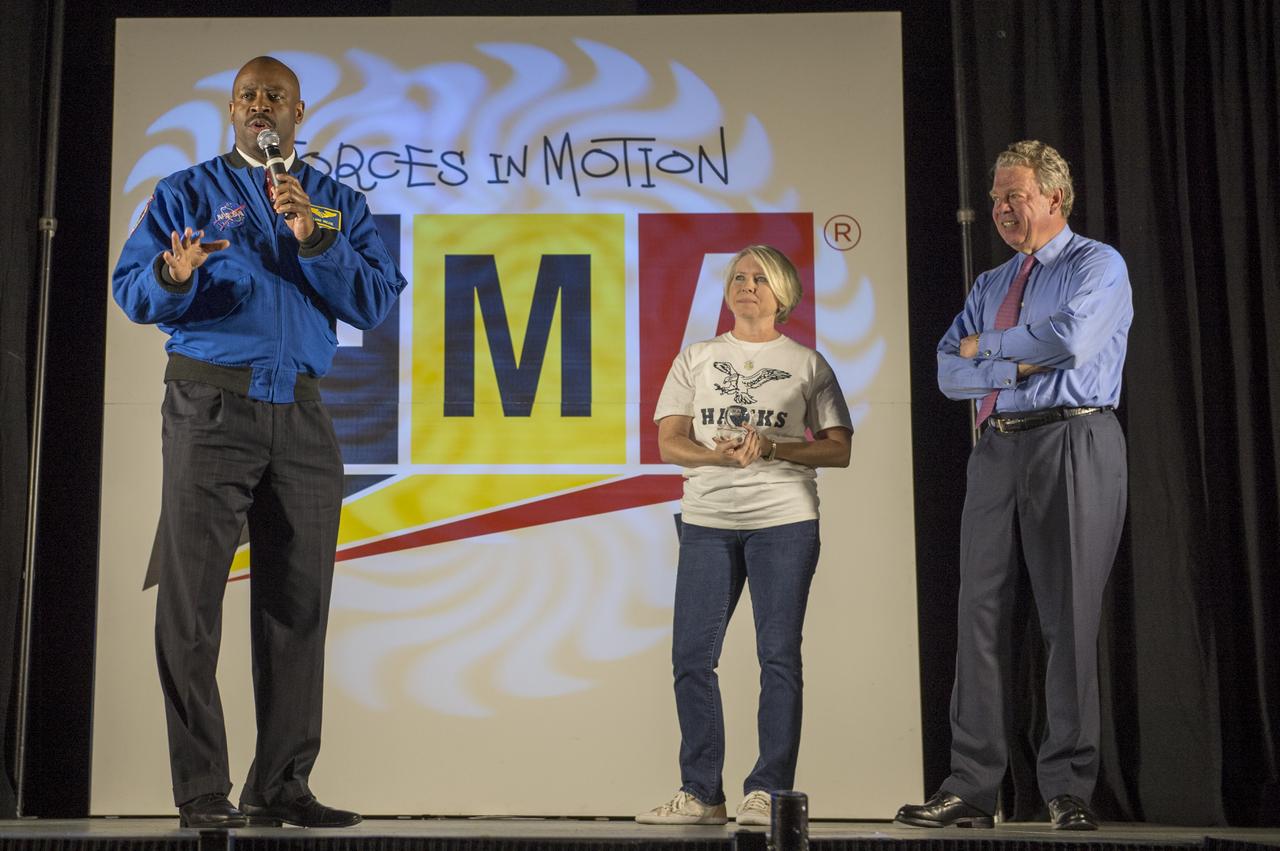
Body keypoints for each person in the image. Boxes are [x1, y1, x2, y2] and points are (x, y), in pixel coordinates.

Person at [112, 56, 406, 829]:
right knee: (191, 603)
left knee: (298, 607)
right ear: (231, 108)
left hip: (303, 412)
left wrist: (313, 235)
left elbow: (375, 298)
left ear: (298, 112)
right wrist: (174, 279)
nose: (259, 106)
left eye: (274, 96)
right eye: (247, 95)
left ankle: (280, 784)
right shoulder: (186, 193)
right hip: (211, 400)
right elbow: (132, 288)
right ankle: (202, 788)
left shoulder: (336, 201)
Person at [896, 140, 1131, 831]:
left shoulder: (1098, 264)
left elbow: (1068, 343)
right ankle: (970, 787)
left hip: (1074, 437)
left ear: (1054, 199)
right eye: (996, 196)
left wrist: (990, 350)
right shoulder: (991, 285)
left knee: (1069, 617)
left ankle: (1067, 787)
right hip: (998, 447)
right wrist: (1011, 368)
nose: (999, 207)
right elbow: (945, 368)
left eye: (1013, 195)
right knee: (979, 615)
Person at [636, 245, 853, 827]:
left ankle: (768, 790)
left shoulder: (808, 363)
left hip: (784, 520)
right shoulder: (698, 356)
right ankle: (702, 791)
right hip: (708, 520)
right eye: (737, 277)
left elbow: (840, 447)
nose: (746, 286)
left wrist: (775, 448)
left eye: (759, 278)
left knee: (777, 655)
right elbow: (669, 442)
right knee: (690, 658)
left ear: (782, 292)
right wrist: (717, 457)